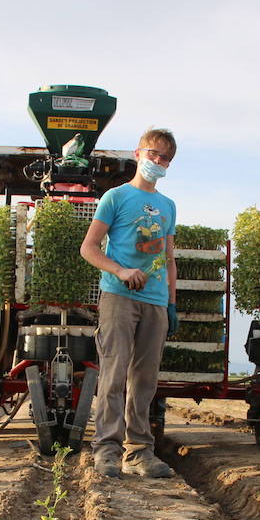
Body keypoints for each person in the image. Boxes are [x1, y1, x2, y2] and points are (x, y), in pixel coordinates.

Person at [80, 128, 180, 478]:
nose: (158, 161)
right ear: (138, 154)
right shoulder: (116, 197)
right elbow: (89, 248)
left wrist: (171, 303)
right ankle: (106, 449)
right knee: (114, 372)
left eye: (165, 158)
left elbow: (168, 258)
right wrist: (121, 270)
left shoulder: (168, 206)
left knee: (145, 379)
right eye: (153, 153)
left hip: (155, 302)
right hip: (119, 296)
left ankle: (139, 452)